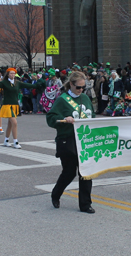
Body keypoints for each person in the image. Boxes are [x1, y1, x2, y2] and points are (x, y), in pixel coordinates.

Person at [46, 71, 96, 214]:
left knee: (86, 172)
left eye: (83, 88)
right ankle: (56, 193)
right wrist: (64, 118)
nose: (81, 90)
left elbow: (91, 114)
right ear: (71, 85)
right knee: (69, 172)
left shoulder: (85, 98)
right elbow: (51, 118)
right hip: (68, 139)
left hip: (85, 139)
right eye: (78, 87)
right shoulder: (62, 99)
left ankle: (85, 204)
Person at [0, 68, 37, 148]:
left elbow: (28, 85)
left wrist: (37, 85)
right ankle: (15, 142)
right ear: (8, 74)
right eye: (11, 73)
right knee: (14, 122)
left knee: (10, 124)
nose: (12, 75)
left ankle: (6, 140)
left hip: (15, 105)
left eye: (14, 73)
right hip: (7, 105)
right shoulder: (4, 83)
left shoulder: (17, 83)